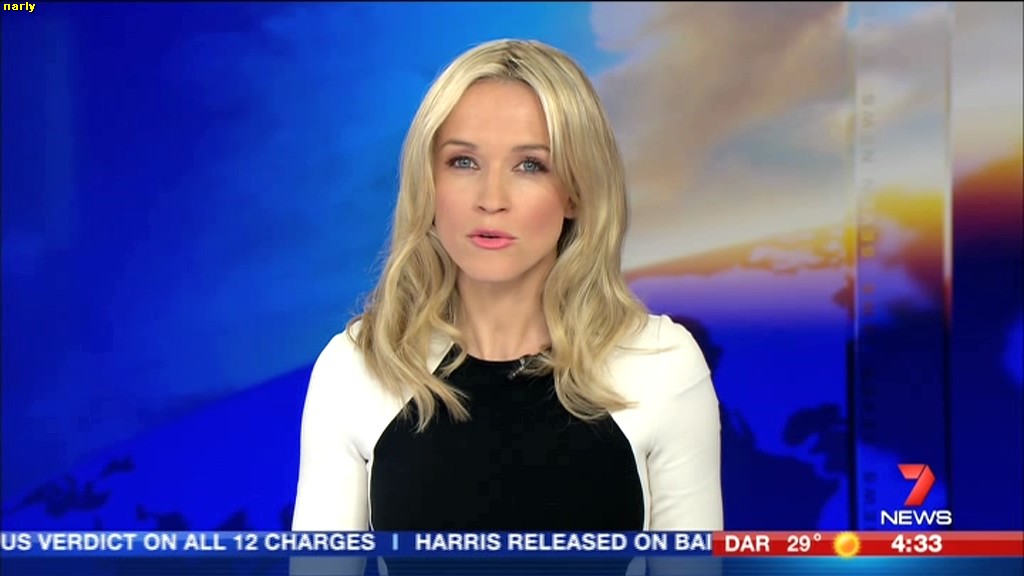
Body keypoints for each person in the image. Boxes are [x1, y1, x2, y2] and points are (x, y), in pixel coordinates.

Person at [291, 38, 722, 574]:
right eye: (463, 161)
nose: (491, 199)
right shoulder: (356, 367)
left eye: (530, 165)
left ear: (576, 191)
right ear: (429, 182)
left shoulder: (660, 364)